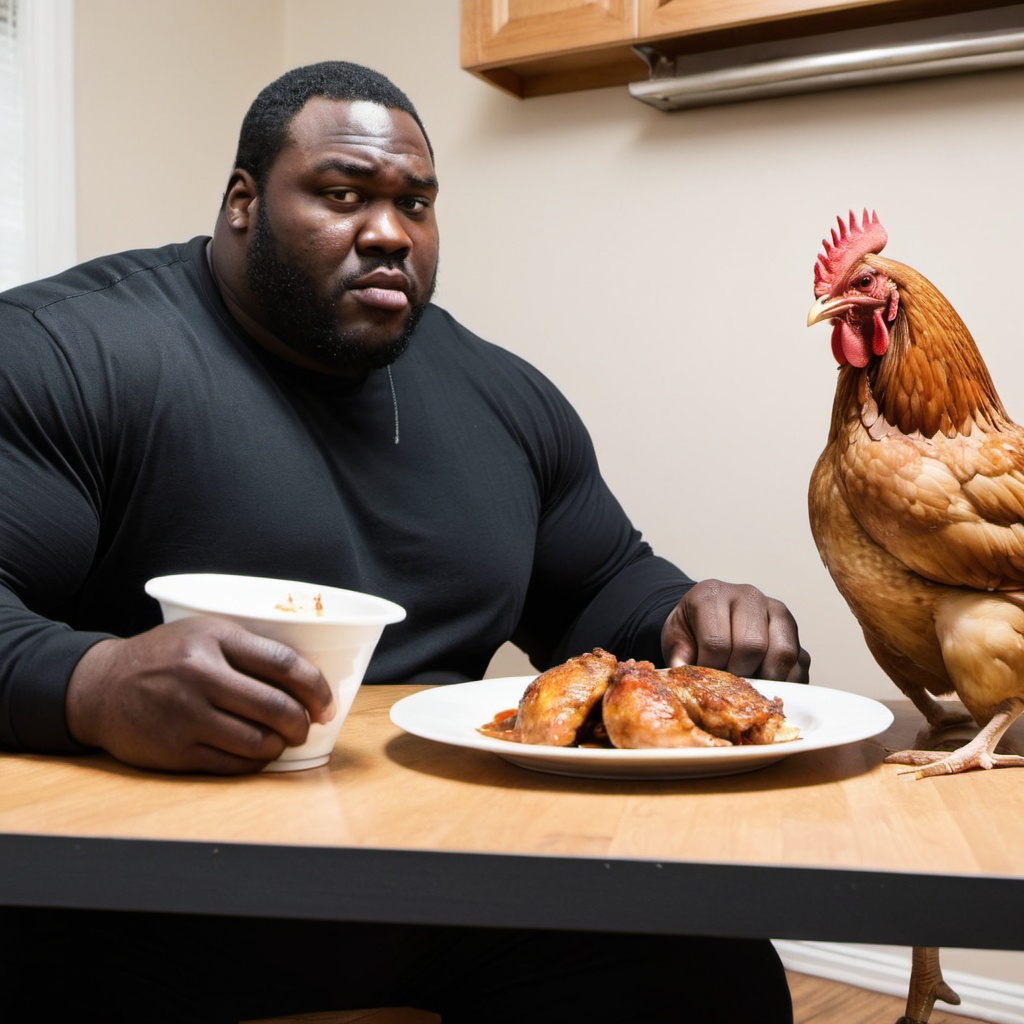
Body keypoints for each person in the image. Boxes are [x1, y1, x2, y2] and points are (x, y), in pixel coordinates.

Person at [0, 62, 808, 1022]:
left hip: (451, 878)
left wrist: (691, 617)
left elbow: (603, 587)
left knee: (711, 970)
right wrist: (95, 686)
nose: (388, 233)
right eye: (342, 195)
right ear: (243, 203)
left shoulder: (504, 397)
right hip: (148, 896)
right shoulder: (65, 351)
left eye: (414, 204)